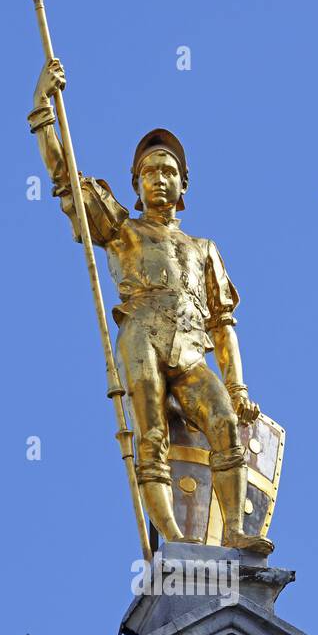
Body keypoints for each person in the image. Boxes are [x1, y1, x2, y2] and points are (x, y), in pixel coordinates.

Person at [29, 58, 273, 555]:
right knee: (153, 433)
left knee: (225, 424)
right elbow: (65, 178)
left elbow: (223, 323)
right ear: (136, 184)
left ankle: (232, 532)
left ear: (184, 185)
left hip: (189, 344)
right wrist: (43, 109)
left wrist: (238, 384)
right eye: (149, 172)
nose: (159, 179)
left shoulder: (205, 249)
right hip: (141, 331)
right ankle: (179, 542)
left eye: (169, 172)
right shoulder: (123, 230)